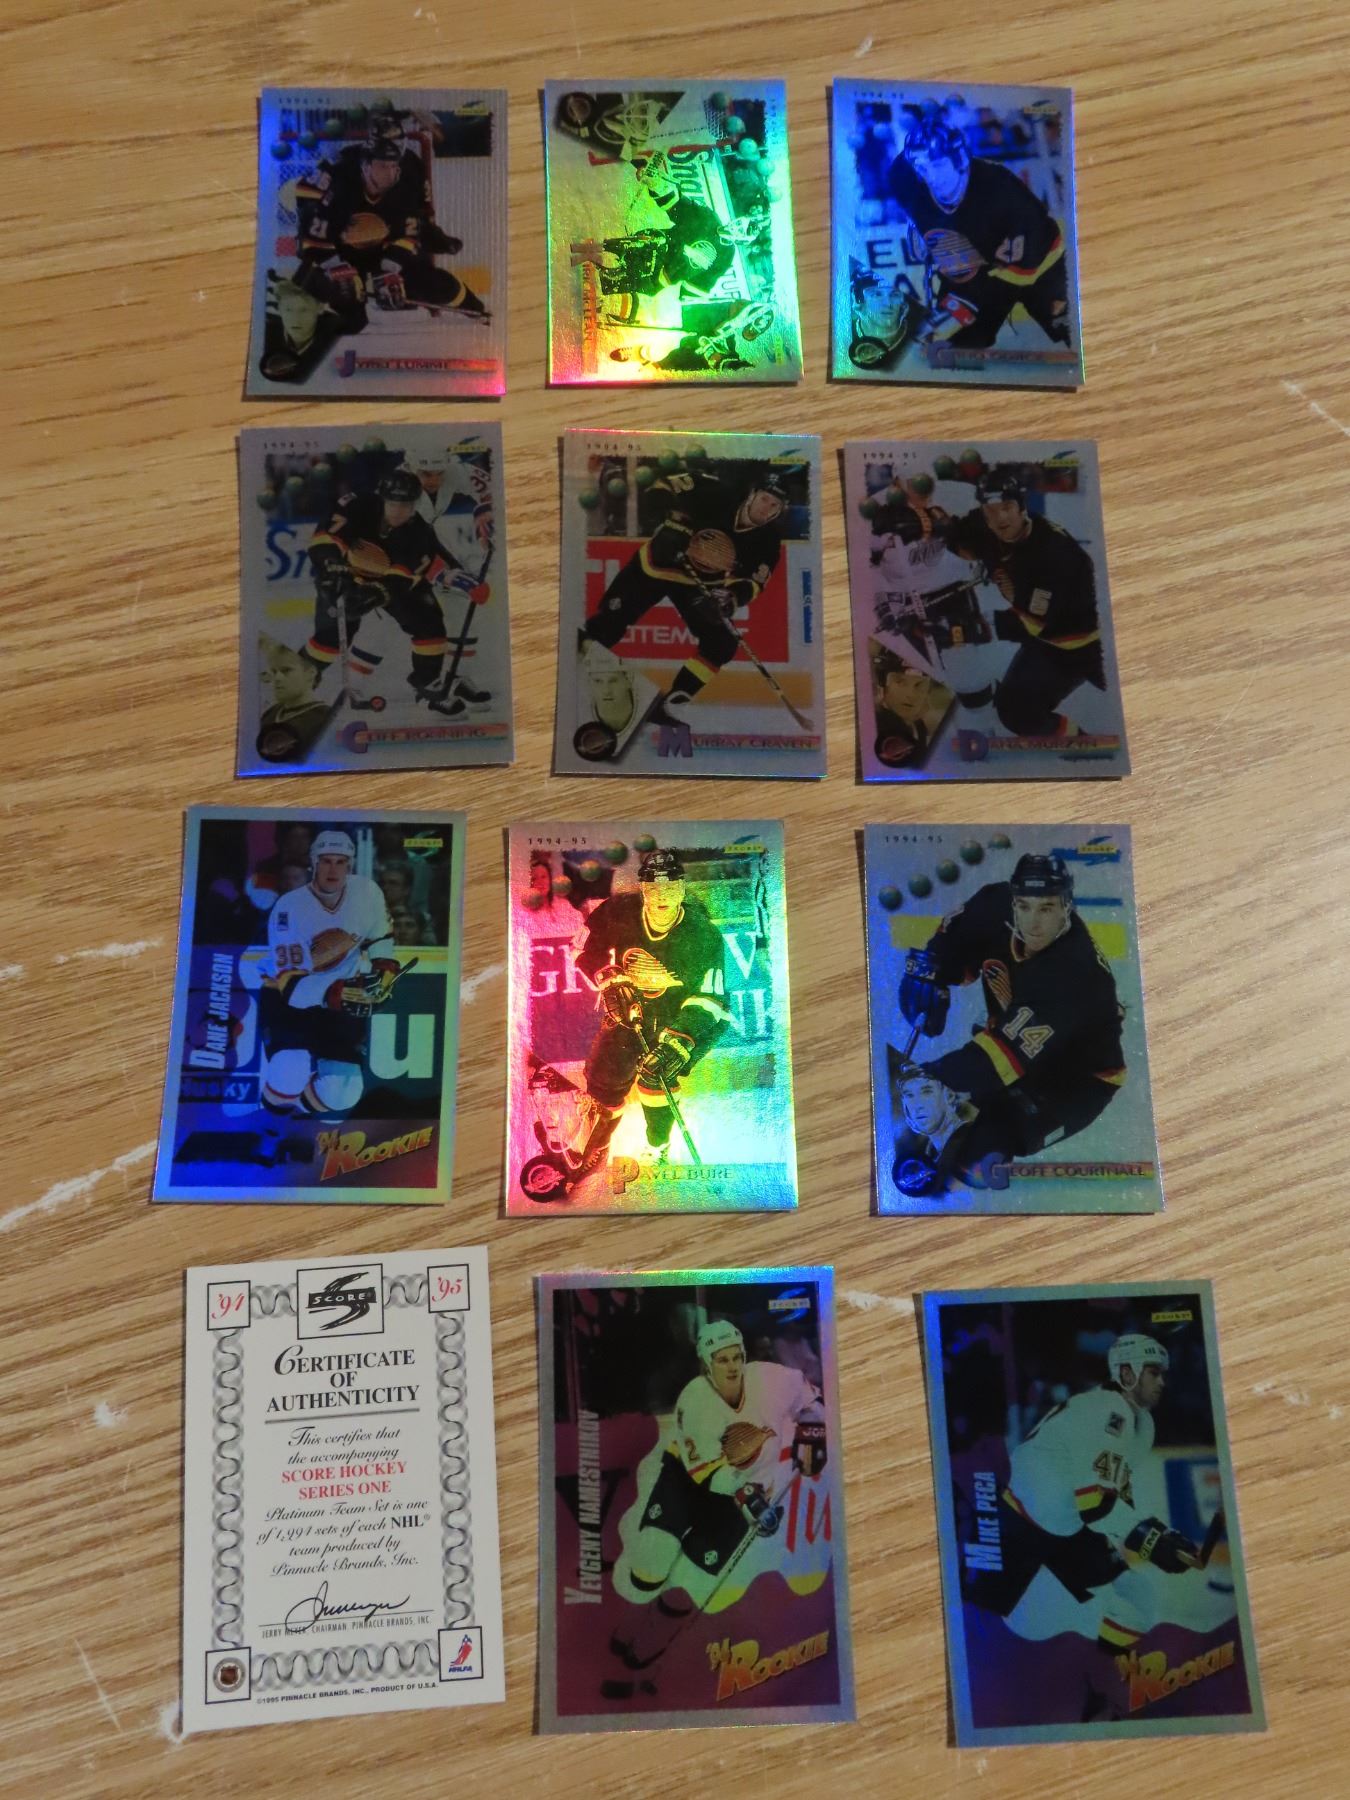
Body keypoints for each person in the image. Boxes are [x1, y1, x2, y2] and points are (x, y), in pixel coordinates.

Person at [962, 1335, 1204, 1682]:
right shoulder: (1108, 1412)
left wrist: (1158, 1537)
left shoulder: (1139, 1423)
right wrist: (1153, 1541)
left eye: (1162, 1373)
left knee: (1136, 1595)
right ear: (1127, 1373)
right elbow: (1095, 1507)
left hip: (1067, 1527)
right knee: (977, 1641)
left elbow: (1110, 1498)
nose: (1162, 1381)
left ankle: (1106, 1683)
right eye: (1153, 1372)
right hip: (1014, 1525)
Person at [892, 853, 1126, 1194]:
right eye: (1024, 906)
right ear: (1014, 901)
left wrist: (928, 1074)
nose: (1033, 923)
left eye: (1047, 908)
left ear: (1067, 907)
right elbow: (951, 941)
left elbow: (993, 1063)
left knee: (980, 1150)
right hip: (1012, 1037)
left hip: (1076, 1079)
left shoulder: (1076, 973)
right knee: (950, 1106)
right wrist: (932, 975)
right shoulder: (995, 903)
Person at [579, 464, 789, 740]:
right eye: (764, 499)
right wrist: (672, 521)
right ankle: (573, 673)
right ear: (752, 494)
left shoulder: (769, 540)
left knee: (722, 644)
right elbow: (662, 485)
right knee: (608, 626)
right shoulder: (717, 491)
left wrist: (731, 598)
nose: (766, 508)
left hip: (699, 586)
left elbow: (754, 581)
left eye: (774, 506)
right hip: (655, 567)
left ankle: (672, 703)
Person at [567, 846, 729, 1171]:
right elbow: (581, 948)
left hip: (689, 1017)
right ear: (643, 888)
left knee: (658, 1075)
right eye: (654, 887)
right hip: (633, 1010)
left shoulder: (704, 935)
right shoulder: (618, 912)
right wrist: (607, 977)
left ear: (681, 889)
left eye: (670, 887)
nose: (662, 895)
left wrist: (679, 1039)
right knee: (604, 1079)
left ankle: (658, 1145)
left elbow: (711, 998)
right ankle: (599, 1138)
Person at [888, 106, 1069, 349]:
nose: (930, 176)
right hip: (974, 263)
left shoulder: (999, 187)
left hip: (1037, 262)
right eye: (922, 167)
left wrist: (967, 304)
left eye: (938, 165)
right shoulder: (904, 178)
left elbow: (1028, 252)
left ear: (961, 160)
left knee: (1066, 326)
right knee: (947, 344)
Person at [944, 468, 1106, 738]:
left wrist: (976, 624)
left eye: (1006, 507)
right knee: (1016, 712)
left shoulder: (1055, 553)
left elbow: (1034, 624)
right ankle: (1078, 742)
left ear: (1022, 508)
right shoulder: (987, 526)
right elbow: (958, 535)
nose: (1000, 517)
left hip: (1089, 645)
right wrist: (936, 528)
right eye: (991, 510)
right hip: (1047, 644)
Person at [258, 830, 403, 1117]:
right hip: (287, 1000)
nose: (333, 869)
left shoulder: (368, 892)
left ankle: (299, 1113)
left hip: (341, 998)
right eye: (326, 861)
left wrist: (384, 971)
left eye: (340, 861)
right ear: (313, 863)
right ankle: (269, 1113)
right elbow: (291, 986)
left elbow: (381, 938)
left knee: (343, 1090)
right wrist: (336, 993)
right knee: (290, 1071)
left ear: (350, 864)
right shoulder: (289, 908)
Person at [302, 468, 464, 716]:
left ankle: (427, 685)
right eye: (393, 503)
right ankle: (296, 684)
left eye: (406, 505)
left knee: (429, 624)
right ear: (381, 498)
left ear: (415, 504)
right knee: (328, 640)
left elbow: (403, 579)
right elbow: (325, 539)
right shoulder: (356, 506)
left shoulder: (420, 533)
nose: (399, 511)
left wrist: (378, 593)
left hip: (388, 583)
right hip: (346, 576)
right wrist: (330, 568)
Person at [295, 122, 488, 320]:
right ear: (365, 165)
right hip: (341, 250)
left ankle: (478, 311)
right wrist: (336, 267)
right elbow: (309, 230)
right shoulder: (340, 172)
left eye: (393, 165)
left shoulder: (410, 171)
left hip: (386, 248)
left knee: (439, 284)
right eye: (382, 165)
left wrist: (389, 270)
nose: (389, 174)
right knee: (333, 301)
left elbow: (412, 231)